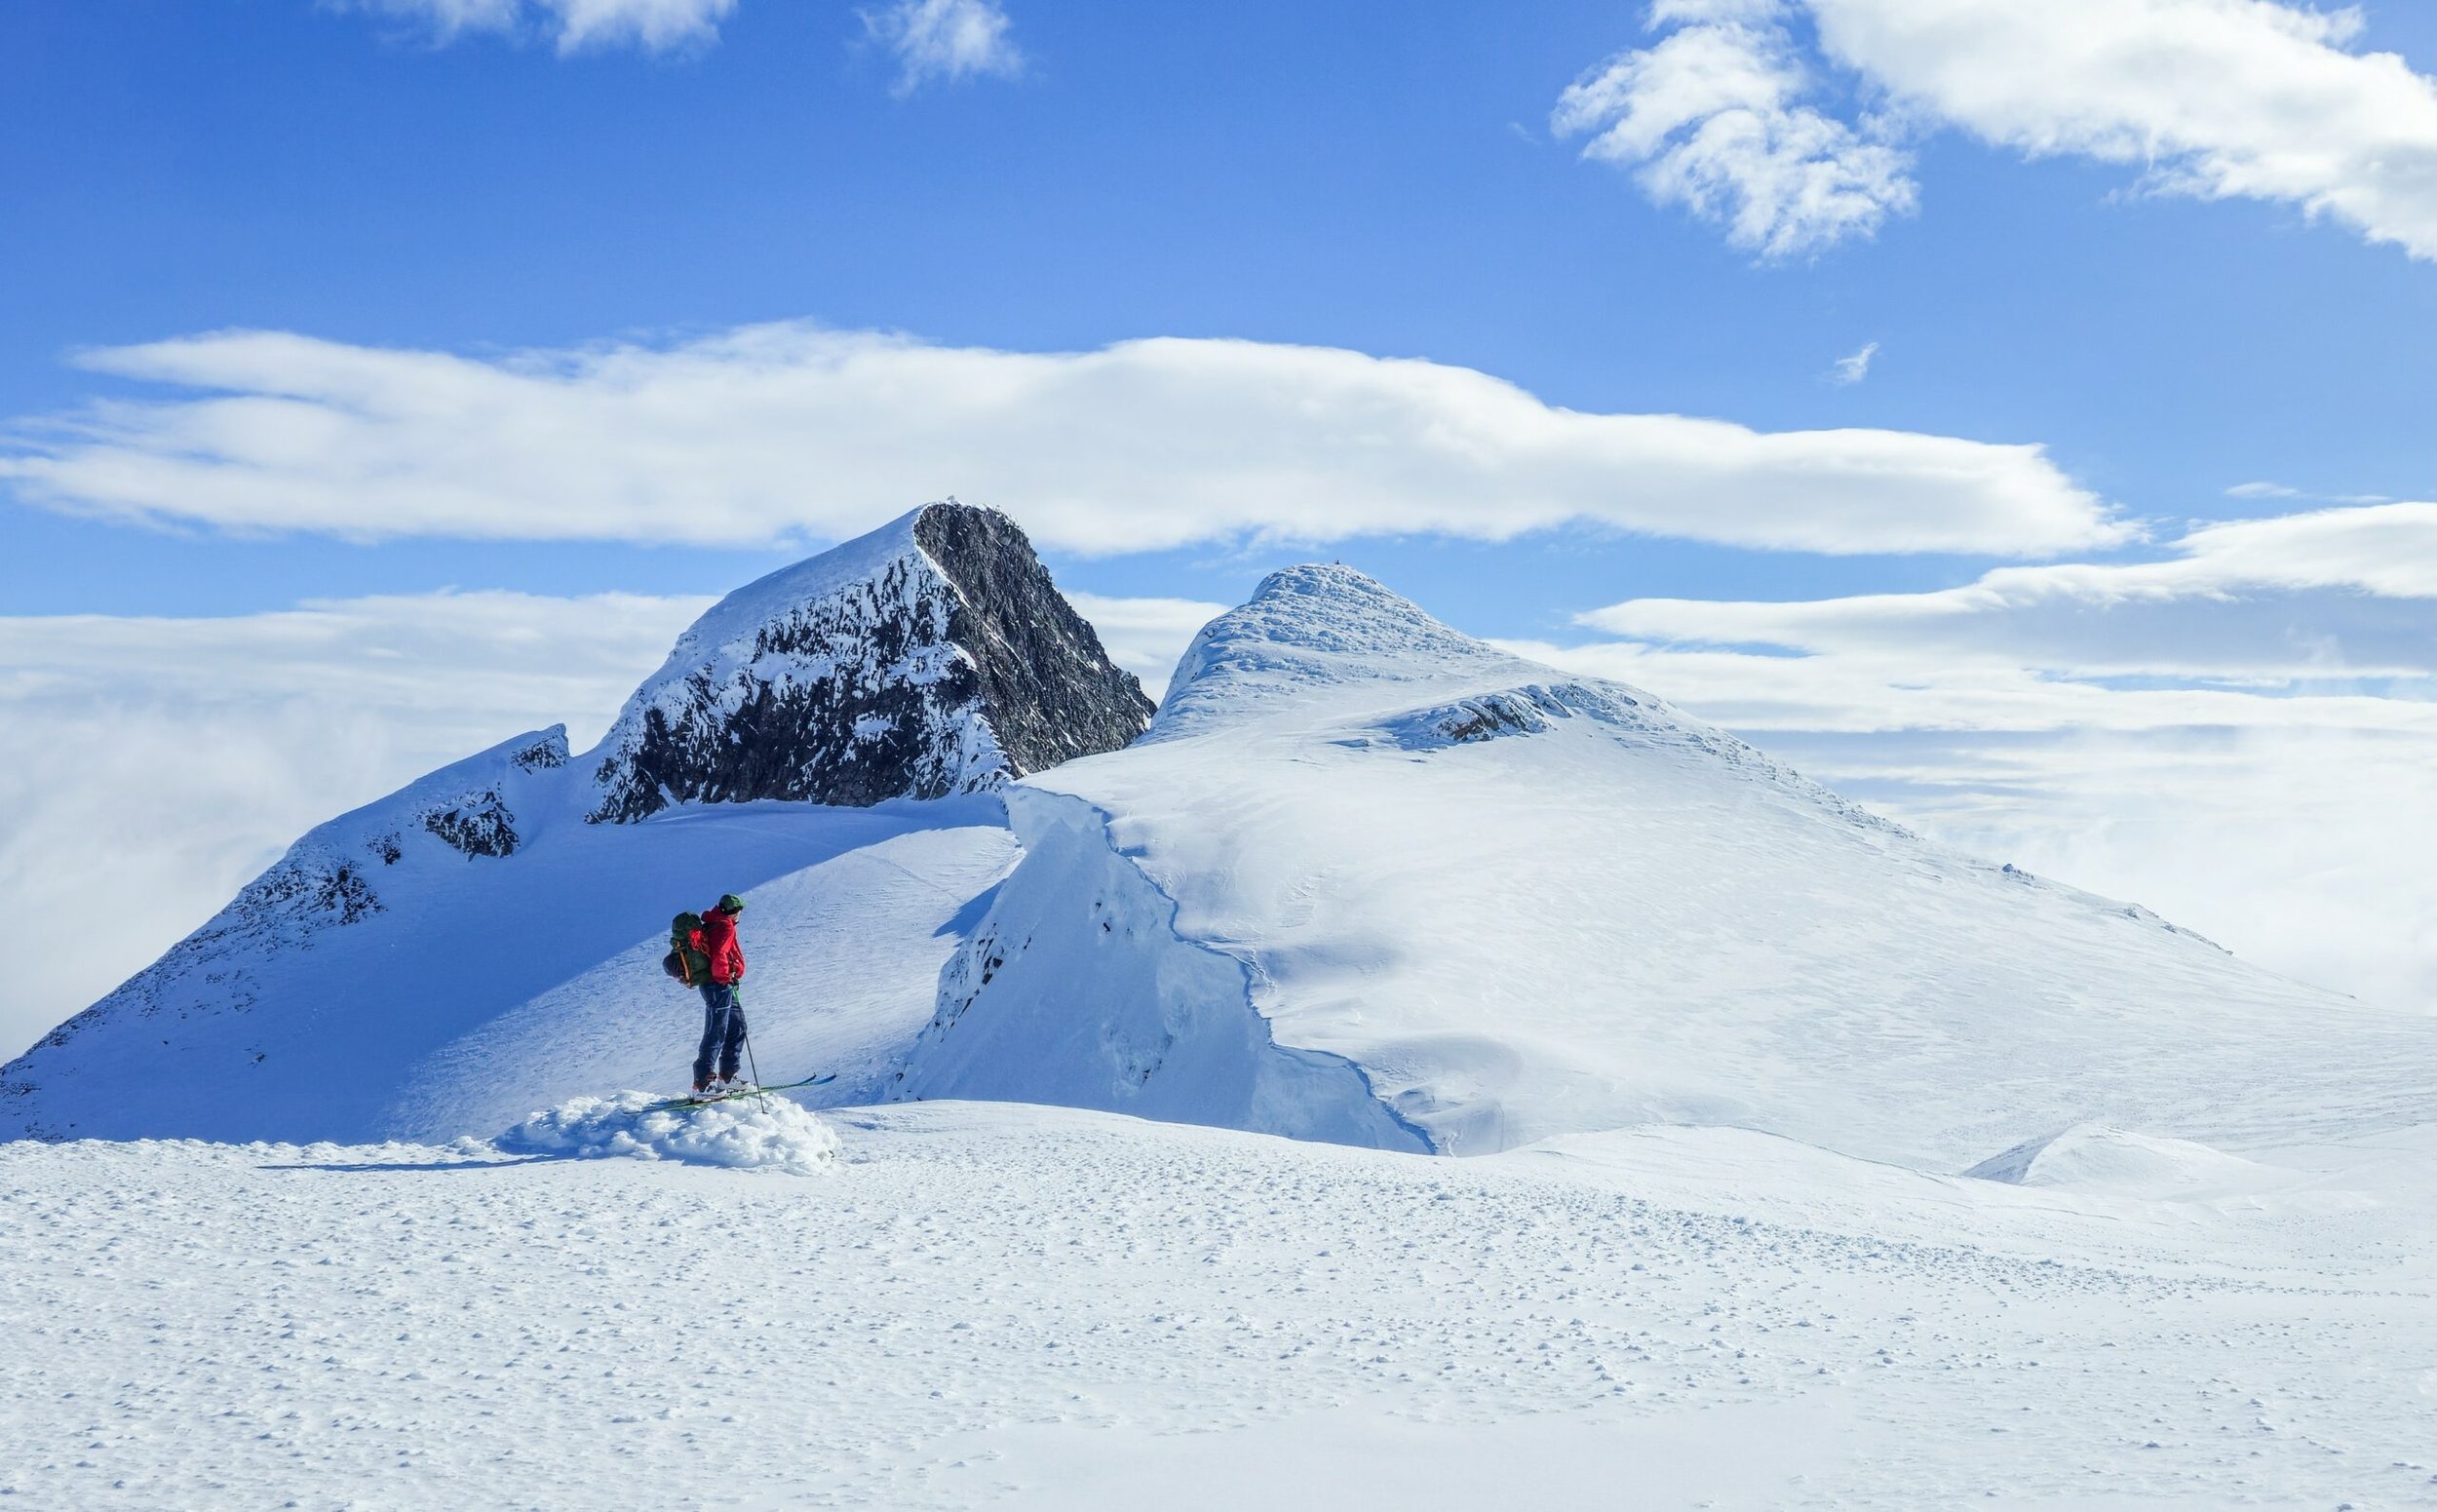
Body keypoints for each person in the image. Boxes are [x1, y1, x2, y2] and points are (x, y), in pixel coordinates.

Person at [690, 893, 750, 1093]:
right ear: (735, 911)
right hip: (718, 985)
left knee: (738, 1026)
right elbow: (720, 955)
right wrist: (725, 977)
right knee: (716, 1032)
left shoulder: (715, 922)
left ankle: (727, 1076)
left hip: (720, 985)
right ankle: (702, 1083)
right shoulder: (724, 926)